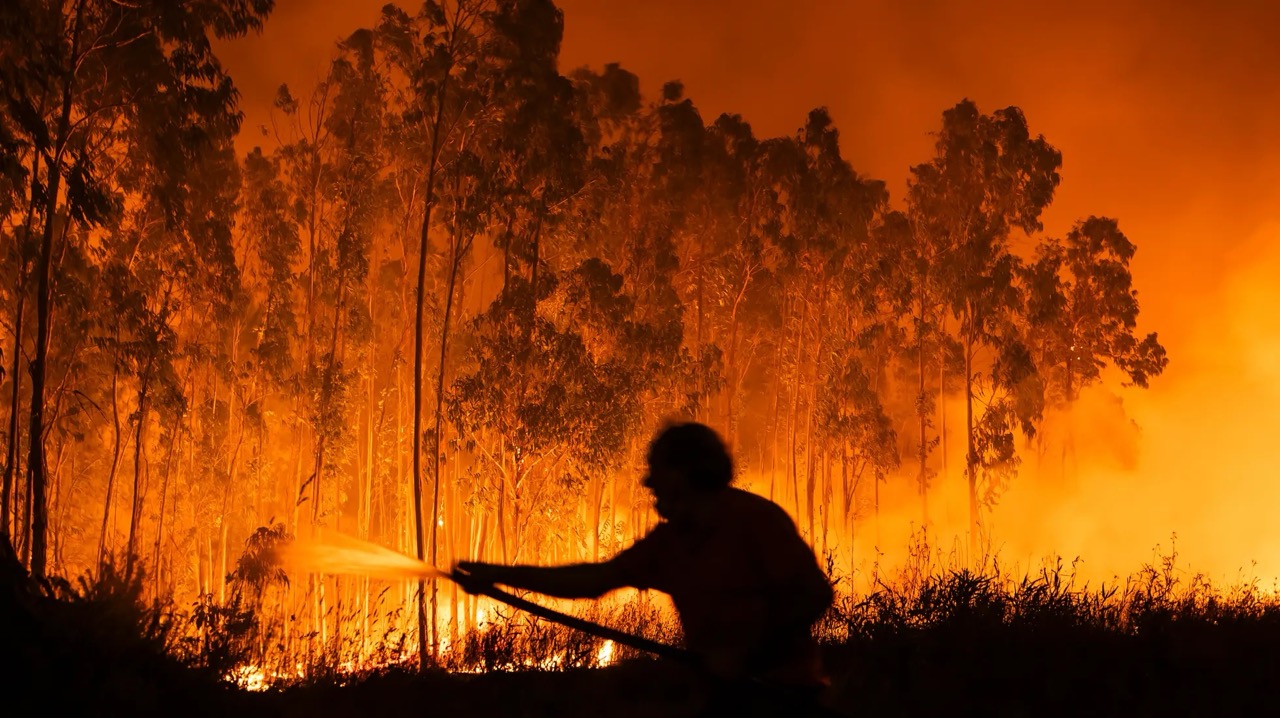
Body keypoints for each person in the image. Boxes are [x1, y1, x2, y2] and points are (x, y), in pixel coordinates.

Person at [453, 421, 835, 715]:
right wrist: (497, 576)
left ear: (689, 474)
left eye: (659, 471)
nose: (648, 482)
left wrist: (749, 653)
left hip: (786, 696)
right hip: (724, 699)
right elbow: (592, 579)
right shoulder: (669, 545)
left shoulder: (755, 522)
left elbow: (815, 594)